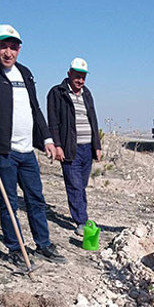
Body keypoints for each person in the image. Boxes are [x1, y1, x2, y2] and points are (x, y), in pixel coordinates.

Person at [0, 24, 66, 266]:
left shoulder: (25, 73)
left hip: (27, 151)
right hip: (2, 151)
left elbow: (34, 109)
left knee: (36, 199)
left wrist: (47, 138)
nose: (8, 52)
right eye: (3, 46)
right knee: (9, 202)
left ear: (19, 49)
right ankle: (16, 248)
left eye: (13, 47)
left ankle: (43, 244)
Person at [46, 57, 102, 236]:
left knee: (81, 184)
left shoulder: (87, 93)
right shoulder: (57, 92)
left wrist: (97, 146)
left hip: (87, 148)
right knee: (75, 185)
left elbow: (93, 119)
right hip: (70, 148)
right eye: (77, 76)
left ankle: (80, 214)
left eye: (83, 77)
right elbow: (53, 122)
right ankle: (81, 221)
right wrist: (58, 146)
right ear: (69, 74)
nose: (80, 80)